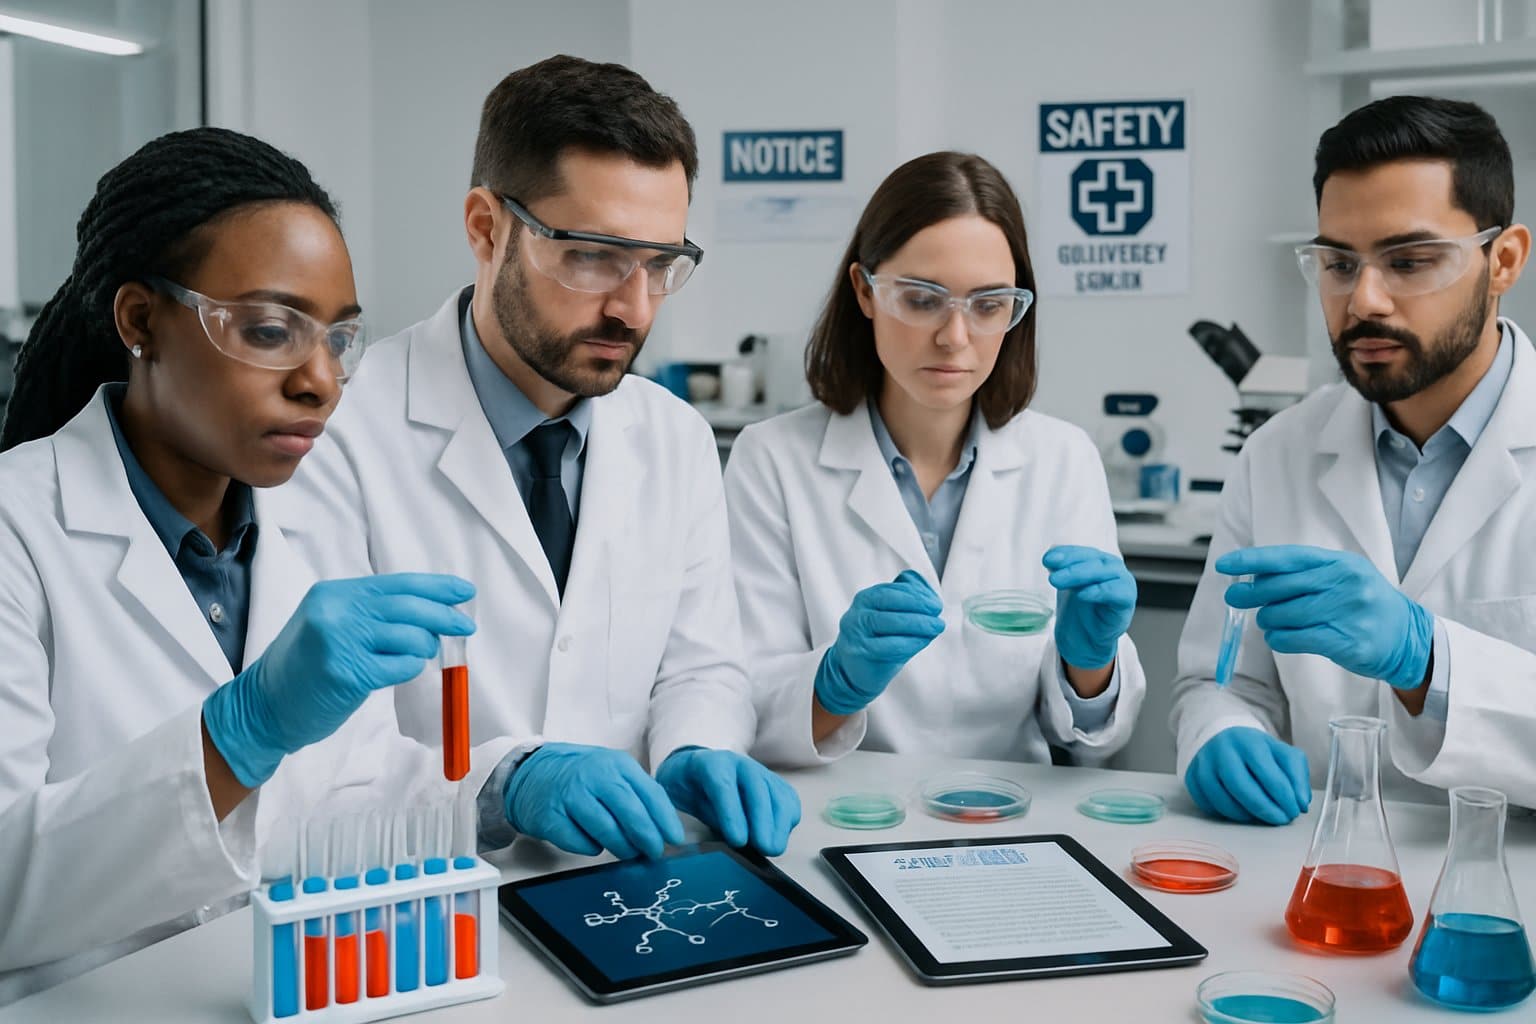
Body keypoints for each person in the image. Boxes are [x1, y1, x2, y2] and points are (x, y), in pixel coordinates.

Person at [0, 127, 506, 1002]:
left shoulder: (309, 516)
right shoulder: (18, 529)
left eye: (340, 339)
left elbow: (349, 783)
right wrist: (237, 733)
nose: (321, 380)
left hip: (291, 990)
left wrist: (506, 784)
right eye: (272, 330)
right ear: (139, 321)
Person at [280, 55, 799, 859]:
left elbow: (702, 666)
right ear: (487, 228)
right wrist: (506, 781)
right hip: (426, 903)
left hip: (628, 886)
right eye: (593, 255)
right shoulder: (339, 433)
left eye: (661, 265)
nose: (633, 306)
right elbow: (323, 750)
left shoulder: (676, 436)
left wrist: (698, 746)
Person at [1171, 95, 1536, 823]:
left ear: (1503, 261)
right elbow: (1222, 679)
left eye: (1410, 261)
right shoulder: (1278, 453)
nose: (1363, 299)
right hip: (1312, 887)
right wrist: (1220, 731)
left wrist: (1427, 658)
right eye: (1338, 262)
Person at [726, 151, 1146, 767]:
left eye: (987, 304)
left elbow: (1091, 733)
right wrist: (834, 683)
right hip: (833, 816)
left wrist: (1090, 663)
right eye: (923, 300)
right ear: (864, 291)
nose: (955, 337)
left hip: (1009, 816)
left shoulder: (1063, 459)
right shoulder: (772, 462)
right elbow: (738, 704)